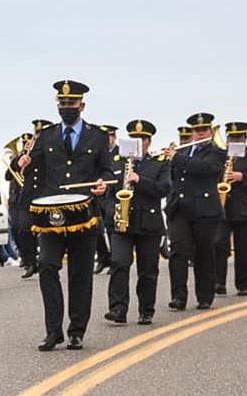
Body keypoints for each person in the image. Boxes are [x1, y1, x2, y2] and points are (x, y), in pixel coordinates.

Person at [16, 80, 112, 351]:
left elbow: (107, 170)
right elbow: (29, 164)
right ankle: (53, 330)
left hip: (84, 215)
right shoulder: (46, 136)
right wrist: (20, 162)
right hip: (51, 217)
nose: (66, 107)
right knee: (47, 266)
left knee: (81, 274)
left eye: (71, 103)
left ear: (82, 105)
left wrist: (103, 184)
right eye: (62, 103)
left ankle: (76, 331)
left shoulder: (97, 136)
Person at [103, 119, 170, 325]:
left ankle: (146, 309)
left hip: (148, 222)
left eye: (142, 139)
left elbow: (164, 188)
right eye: (134, 139)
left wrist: (140, 180)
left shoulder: (159, 162)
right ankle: (118, 309)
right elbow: (109, 190)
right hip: (122, 220)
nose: (138, 142)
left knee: (148, 269)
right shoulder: (115, 161)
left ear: (149, 142)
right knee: (119, 263)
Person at [165, 113, 226, 310]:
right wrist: (169, 159)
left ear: (210, 131)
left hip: (204, 210)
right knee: (178, 252)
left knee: (204, 253)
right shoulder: (183, 152)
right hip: (179, 209)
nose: (200, 135)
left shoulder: (217, 152)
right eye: (196, 131)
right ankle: (178, 297)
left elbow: (205, 168)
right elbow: (172, 178)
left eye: (204, 131)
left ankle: (205, 296)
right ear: (192, 134)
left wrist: (177, 158)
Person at [214, 122, 247, 296]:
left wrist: (242, 176)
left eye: (239, 138)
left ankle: (243, 285)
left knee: (244, 247)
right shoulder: (219, 156)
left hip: (245, 208)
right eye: (232, 138)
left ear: (245, 138)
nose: (235, 141)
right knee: (219, 243)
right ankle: (218, 282)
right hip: (223, 207)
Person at [9, 122, 47, 278]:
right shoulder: (28, 151)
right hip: (29, 195)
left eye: (40, 133)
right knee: (24, 229)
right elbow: (12, 170)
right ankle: (31, 262)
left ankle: (45, 261)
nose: (37, 136)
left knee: (46, 231)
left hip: (46, 195)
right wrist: (21, 156)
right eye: (36, 133)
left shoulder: (49, 149)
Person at [94, 124, 119, 274]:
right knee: (96, 229)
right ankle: (103, 258)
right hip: (99, 196)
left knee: (111, 229)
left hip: (112, 197)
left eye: (108, 136)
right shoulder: (97, 152)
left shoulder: (120, 153)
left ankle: (115, 260)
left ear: (114, 137)